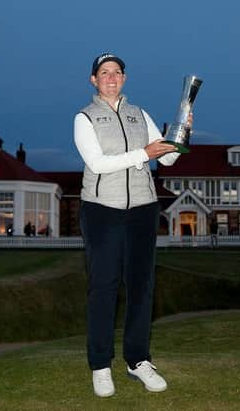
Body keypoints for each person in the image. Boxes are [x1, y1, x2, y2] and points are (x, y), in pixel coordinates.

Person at [74, 53, 188, 397]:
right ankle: (100, 364)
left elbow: (167, 156)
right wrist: (145, 153)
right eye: (104, 73)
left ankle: (138, 360)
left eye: (117, 72)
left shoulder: (140, 115)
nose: (111, 77)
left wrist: (182, 132)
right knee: (104, 286)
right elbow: (98, 163)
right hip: (101, 209)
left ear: (124, 78)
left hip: (142, 208)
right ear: (93, 80)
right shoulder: (85, 117)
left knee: (141, 286)